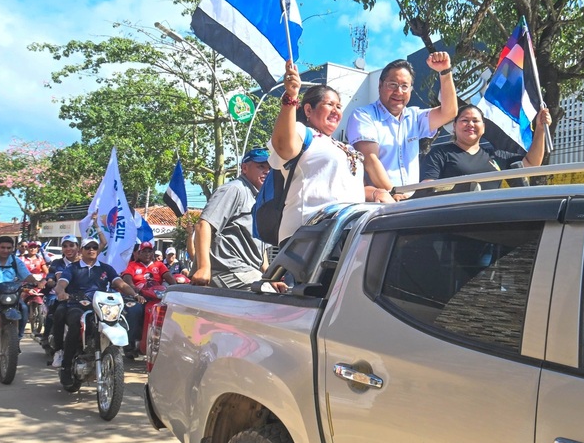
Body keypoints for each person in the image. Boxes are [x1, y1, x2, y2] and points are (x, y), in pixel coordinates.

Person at [270, 61, 394, 244]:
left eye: (339, 106)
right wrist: (290, 96)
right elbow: (283, 147)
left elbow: (354, 189)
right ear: (308, 110)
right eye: (330, 104)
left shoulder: (345, 147)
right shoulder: (303, 132)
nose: (336, 110)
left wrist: (377, 193)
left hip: (347, 232)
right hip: (309, 234)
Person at [346, 53, 459, 196]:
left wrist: (445, 71)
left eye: (404, 86)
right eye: (392, 84)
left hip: (408, 203)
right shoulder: (363, 115)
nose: (398, 91)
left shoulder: (414, 117)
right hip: (378, 204)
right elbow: (370, 160)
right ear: (380, 85)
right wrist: (394, 193)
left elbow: (449, 112)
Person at [51, 237, 140, 382]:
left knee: (122, 319)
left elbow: (121, 284)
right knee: (74, 324)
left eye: (94, 247)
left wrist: (135, 294)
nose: (91, 250)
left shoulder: (106, 268)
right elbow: (61, 283)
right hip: (77, 305)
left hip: (102, 306)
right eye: (87, 247)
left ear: (98, 250)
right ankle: (66, 367)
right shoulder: (72, 268)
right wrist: (61, 291)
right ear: (81, 250)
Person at [189, 148, 272, 289]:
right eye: (261, 166)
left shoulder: (259, 198)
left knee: (283, 296)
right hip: (227, 270)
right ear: (244, 168)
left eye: (270, 168)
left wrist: (270, 277)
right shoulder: (234, 189)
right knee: (274, 302)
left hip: (247, 271)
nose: (267, 171)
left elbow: (259, 247)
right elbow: (203, 225)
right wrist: (203, 268)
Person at [420, 105, 551, 191]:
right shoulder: (439, 154)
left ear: (483, 128)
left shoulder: (495, 156)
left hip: (489, 223)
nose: (470, 124)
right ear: (454, 126)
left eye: (475, 121)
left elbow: (532, 163)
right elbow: (428, 189)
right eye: (465, 120)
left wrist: (540, 129)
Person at [121, 241, 176, 353]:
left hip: (157, 297)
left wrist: (176, 288)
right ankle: (130, 343)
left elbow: (169, 277)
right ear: (139, 253)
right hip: (139, 296)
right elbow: (127, 278)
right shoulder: (132, 265)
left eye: (149, 251)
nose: (147, 254)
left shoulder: (159, 265)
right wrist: (134, 289)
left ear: (152, 253)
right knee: (134, 310)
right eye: (144, 251)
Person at [42, 235, 80, 356]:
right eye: (65, 246)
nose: (68, 249)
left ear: (78, 247)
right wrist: (51, 283)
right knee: (55, 309)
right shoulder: (58, 263)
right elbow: (55, 278)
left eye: (71, 245)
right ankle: (52, 341)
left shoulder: (85, 262)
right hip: (60, 294)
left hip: (82, 296)